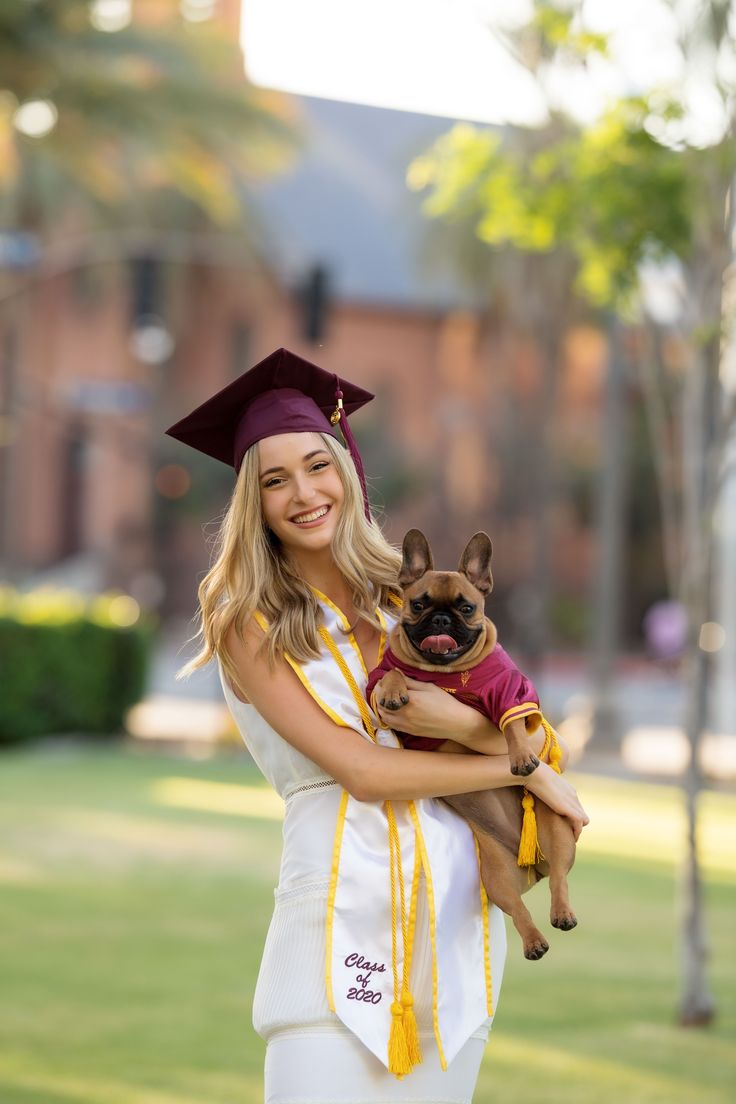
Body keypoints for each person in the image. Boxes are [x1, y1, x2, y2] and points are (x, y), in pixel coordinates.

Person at [167, 347, 588, 1104]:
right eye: (274, 479)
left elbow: (522, 722)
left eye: (316, 466)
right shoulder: (248, 621)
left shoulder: (417, 600)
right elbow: (362, 772)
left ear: (346, 471)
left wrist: (487, 735)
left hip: (458, 937)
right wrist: (524, 769)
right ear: (251, 502)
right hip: (336, 933)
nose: (304, 492)